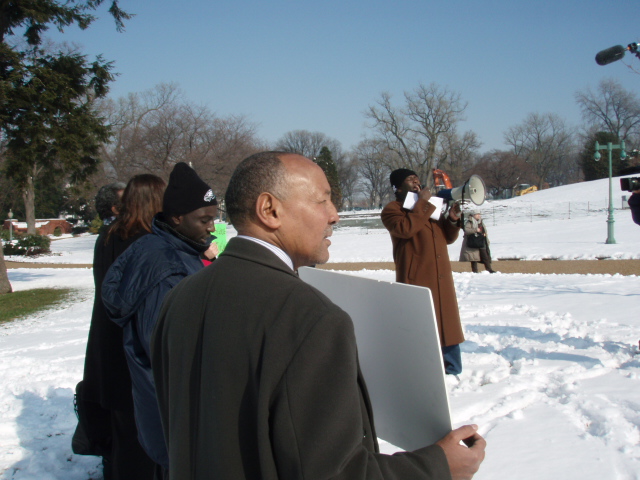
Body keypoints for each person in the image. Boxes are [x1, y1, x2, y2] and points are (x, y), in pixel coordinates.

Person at [151, 152, 486, 480]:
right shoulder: (311, 318)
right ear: (270, 210)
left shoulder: (178, 298)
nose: (335, 215)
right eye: (322, 201)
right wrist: (439, 467)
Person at [102, 162, 218, 478]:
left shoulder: (166, 247)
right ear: (177, 217)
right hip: (173, 415)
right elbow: (167, 352)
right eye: (204, 220)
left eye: (214, 220)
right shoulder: (168, 270)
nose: (212, 228)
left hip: (166, 412)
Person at [81, 174, 165, 479]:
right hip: (133, 345)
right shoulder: (147, 242)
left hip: (106, 338)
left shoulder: (109, 236)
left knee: (121, 429)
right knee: (139, 434)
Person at [381, 169, 465, 376]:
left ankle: (453, 368)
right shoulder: (392, 209)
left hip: (440, 273)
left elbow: (446, 237)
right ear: (398, 188)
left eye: (417, 178)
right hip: (417, 275)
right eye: (410, 180)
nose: (416, 182)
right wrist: (423, 203)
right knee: (422, 323)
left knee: (447, 321)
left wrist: (452, 220)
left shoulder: (428, 207)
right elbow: (405, 229)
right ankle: (424, 368)